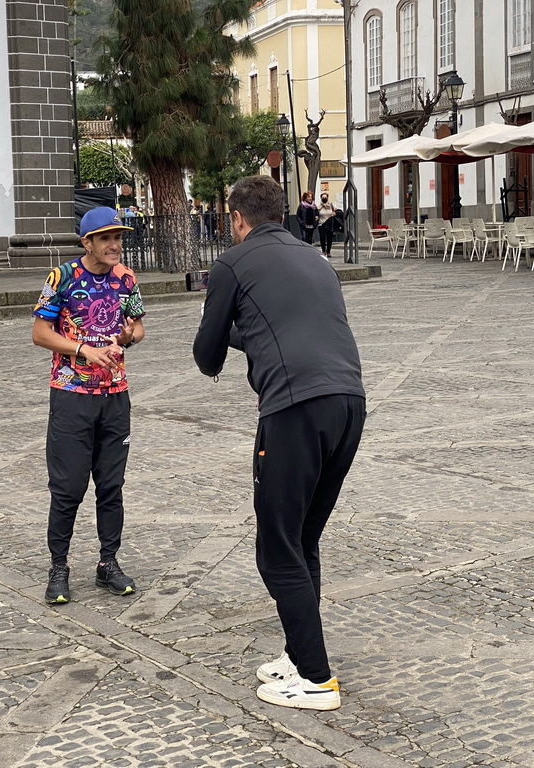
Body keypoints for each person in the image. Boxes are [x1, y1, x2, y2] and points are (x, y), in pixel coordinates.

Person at [193, 176, 366, 711]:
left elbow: (208, 358)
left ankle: (316, 680)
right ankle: (299, 655)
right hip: (349, 402)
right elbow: (290, 326)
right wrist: (249, 325)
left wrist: (219, 313)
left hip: (293, 410)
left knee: (277, 546)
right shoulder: (314, 258)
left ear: (237, 218)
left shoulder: (231, 265)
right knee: (303, 537)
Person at [32, 206, 147, 605]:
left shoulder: (126, 278)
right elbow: (40, 333)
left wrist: (127, 337)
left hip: (116, 396)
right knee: (67, 487)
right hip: (71, 396)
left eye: (118, 237)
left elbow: (138, 327)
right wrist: (83, 350)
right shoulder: (61, 277)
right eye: (106, 238)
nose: (115, 245)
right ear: (88, 242)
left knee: (111, 486)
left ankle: (108, 563)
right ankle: (58, 567)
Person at [316, 193, 338, 259]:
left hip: (329, 224)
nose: (324, 198)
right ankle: (323, 251)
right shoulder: (319, 207)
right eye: (323, 197)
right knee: (322, 237)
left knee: (329, 238)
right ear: (321, 198)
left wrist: (334, 214)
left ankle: (328, 252)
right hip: (321, 224)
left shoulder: (330, 205)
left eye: (325, 197)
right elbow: (316, 214)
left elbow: (335, 212)